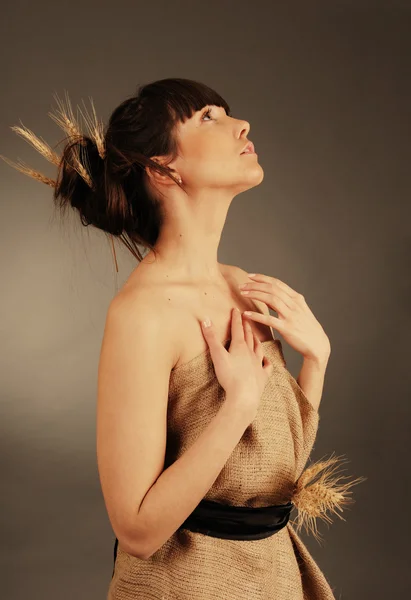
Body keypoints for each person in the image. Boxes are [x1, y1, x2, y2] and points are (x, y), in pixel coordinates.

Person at [1, 77, 365, 599]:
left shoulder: (244, 286)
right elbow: (138, 529)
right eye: (209, 118)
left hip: (275, 577)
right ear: (162, 167)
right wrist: (236, 404)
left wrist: (318, 361)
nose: (242, 125)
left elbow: (270, 474)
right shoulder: (143, 315)